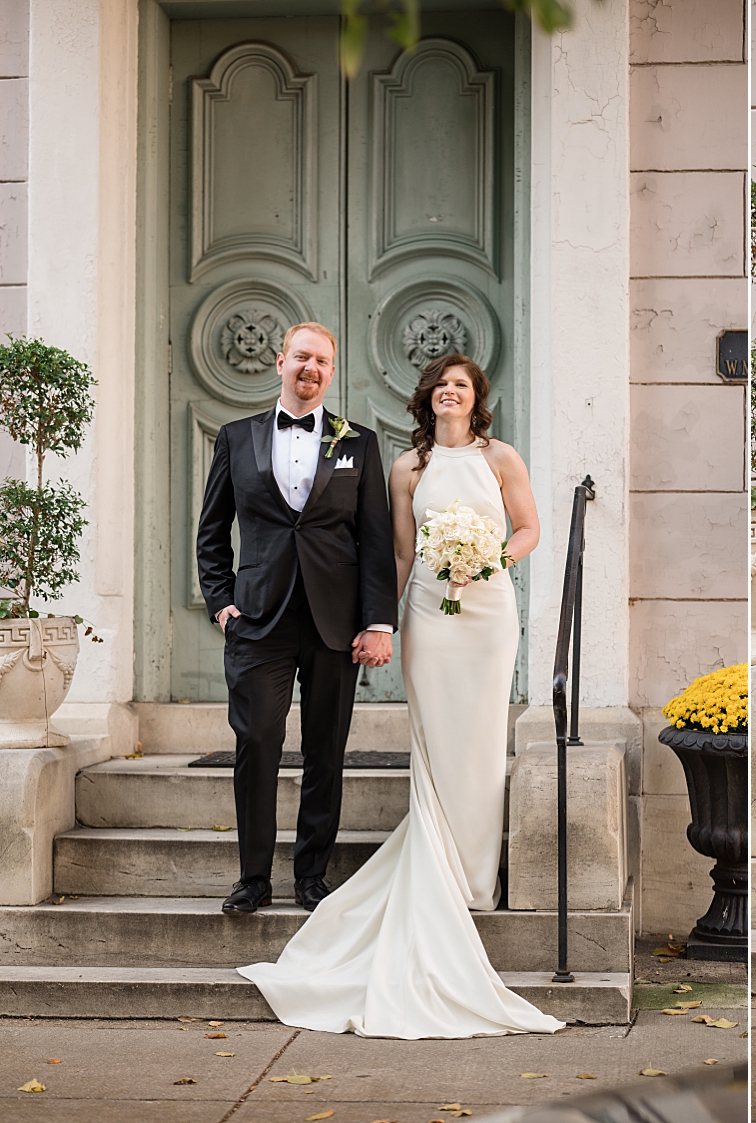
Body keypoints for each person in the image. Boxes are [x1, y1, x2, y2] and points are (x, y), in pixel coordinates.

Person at [238, 353, 565, 1038]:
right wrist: (379, 619)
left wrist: (490, 558)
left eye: (462, 386)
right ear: (429, 398)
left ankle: (475, 879)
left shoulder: (500, 456)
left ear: (476, 400)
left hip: (486, 613)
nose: (451, 392)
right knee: (437, 739)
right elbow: (400, 551)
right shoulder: (404, 467)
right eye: (442, 385)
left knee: (479, 738)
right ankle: (440, 870)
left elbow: (530, 528)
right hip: (426, 616)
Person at [197, 323, 398, 916]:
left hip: (336, 623)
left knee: (325, 751)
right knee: (257, 743)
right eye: (303, 358)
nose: (312, 368)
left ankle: (311, 875)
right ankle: (253, 878)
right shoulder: (236, 438)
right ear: (281, 362)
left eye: (324, 362)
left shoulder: (356, 442)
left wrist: (378, 621)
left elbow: (374, 537)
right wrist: (219, 599)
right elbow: (212, 530)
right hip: (259, 620)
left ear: (331, 373)